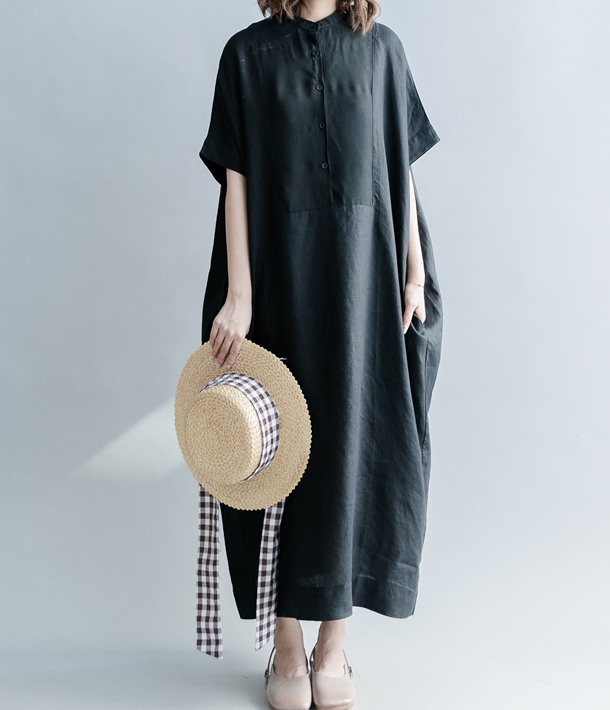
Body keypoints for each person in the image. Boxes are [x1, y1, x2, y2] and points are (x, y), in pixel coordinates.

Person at [198, 0, 442, 707]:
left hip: (364, 277)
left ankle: (335, 644)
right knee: (275, 454)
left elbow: (400, 168)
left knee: (356, 445)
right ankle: (285, 644)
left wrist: (415, 269)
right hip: (276, 278)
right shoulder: (246, 55)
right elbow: (236, 178)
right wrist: (239, 292)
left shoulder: (383, 50)